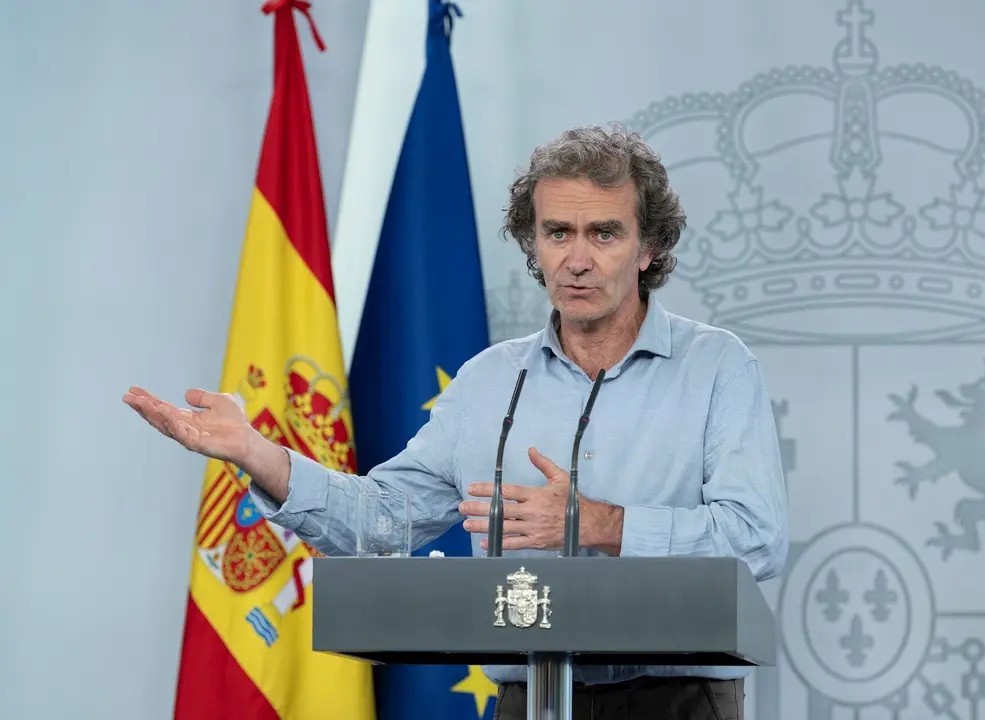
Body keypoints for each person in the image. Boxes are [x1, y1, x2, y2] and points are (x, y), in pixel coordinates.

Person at [124, 123, 788, 720]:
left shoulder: (717, 367)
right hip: (525, 698)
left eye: (604, 234)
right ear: (535, 244)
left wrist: (599, 522)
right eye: (557, 233)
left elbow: (757, 536)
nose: (577, 259)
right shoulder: (489, 381)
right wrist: (257, 453)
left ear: (649, 249)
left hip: (675, 705)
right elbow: (384, 517)